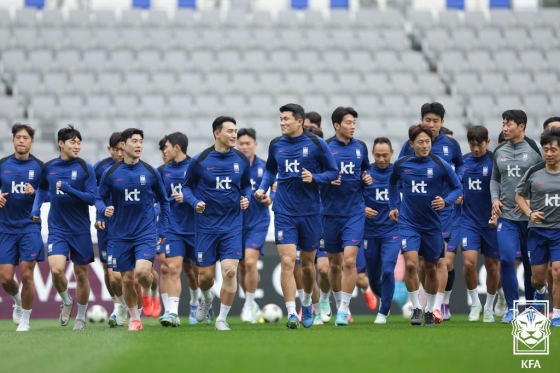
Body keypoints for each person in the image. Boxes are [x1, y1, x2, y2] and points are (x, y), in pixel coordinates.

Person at [256, 104, 338, 329]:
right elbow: (271, 171)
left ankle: (307, 303)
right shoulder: (276, 144)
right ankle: (292, 313)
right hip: (283, 210)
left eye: (286, 119)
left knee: (308, 265)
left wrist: (315, 178)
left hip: (311, 211)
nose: (282, 123)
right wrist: (263, 187)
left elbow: (333, 173)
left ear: (299, 121)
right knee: (287, 260)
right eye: (280, 119)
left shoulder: (316, 144)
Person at [182, 116, 252, 331]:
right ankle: (206, 297)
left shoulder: (241, 159)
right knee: (204, 278)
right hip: (206, 227)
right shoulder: (200, 160)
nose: (234, 135)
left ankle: (221, 319)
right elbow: (186, 188)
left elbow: (246, 186)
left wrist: (245, 198)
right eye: (230, 131)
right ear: (217, 133)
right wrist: (195, 203)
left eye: (235, 131)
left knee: (230, 271)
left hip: (232, 225)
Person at [96, 128, 170, 331]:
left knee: (143, 272)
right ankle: (135, 319)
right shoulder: (110, 174)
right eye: (134, 141)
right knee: (127, 279)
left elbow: (164, 201)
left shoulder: (150, 171)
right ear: (123, 145)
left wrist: (162, 229)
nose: (138, 145)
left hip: (145, 232)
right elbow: (99, 197)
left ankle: (150, 292)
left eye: (141, 141)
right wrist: (103, 210)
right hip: (120, 233)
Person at [389, 124, 462, 327]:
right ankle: (417, 308)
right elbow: (392, 183)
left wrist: (446, 201)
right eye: (420, 142)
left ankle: (430, 309)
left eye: (428, 142)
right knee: (411, 264)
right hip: (408, 223)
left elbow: (458, 187)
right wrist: (394, 206)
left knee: (431, 268)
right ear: (411, 144)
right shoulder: (402, 164)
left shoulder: (440, 164)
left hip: (432, 225)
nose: (425, 145)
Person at [31, 125, 97, 331]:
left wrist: (68, 188)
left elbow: (92, 198)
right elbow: (42, 188)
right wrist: (35, 208)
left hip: (80, 229)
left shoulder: (86, 168)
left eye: (79, 142)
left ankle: (81, 318)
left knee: (81, 274)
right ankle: (67, 300)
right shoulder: (49, 168)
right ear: (61, 143)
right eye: (72, 142)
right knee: (57, 270)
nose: (77, 146)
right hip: (57, 229)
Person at [491, 110, 542, 323]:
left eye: (508, 124)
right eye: (503, 123)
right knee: (506, 259)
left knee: (531, 264)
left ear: (521, 126)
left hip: (530, 220)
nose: (504, 127)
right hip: (507, 217)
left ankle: (531, 307)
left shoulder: (534, 152)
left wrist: (530, 201)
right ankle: (512, 308)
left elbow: (543, 181)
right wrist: (495, 199)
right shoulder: (499, 151)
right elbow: (495, 179)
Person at [322, 106, 371, 326]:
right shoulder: (324, 149)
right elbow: (313, 180)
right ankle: (337, 301)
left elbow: (365, 172)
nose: (352, 127)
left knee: (349, 262)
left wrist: (366, 179)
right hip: (329, 213)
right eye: (348, 123)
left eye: (354, 123)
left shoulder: (360, 147)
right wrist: (327, 180)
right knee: (333, 265)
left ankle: (343, 310)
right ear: (336, 125)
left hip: (354, 211)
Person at [0, 123, 45, 331]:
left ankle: (25, 320)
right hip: (6, 228)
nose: (21, 140)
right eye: (18, 137)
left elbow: (51, 194)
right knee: (5, 278)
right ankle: (17, 300)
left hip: (30, 226)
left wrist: (35, 193)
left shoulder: (40, 168)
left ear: (31, 142)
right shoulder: (2, 165)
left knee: (27, 275)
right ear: (12, 141)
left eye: (25, 137)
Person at [515, 127, 560, 326]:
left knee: (558, 271)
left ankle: (557, 314)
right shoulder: (534, 172)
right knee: (538, 280)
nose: (548, 153)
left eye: (553, 149)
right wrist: (530, 213)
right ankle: (540, 292)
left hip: (558, 232)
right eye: (545, 149)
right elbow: (519, 196)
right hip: (537, 232)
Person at [154, 132, 200, 327]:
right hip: (173, 228)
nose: (164, 151)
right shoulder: (162, 172)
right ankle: (172, 312)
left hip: (197, 228)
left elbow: (207, 193)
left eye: (166, 147)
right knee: (172, 268)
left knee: (197, 272)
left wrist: (189, 198)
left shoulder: (196, 167)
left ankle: (197, 302)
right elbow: (158, 199)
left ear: (177, 147)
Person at [461, 126, 499, 323]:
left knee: (492, 266)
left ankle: (489, 307)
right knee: (468, 263)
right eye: (472, 144)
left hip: (491, 222)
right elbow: (455, 185)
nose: (475, 148)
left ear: (488, 142)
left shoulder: (494, 161)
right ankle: (475, 303)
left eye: (479, 144)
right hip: (469, 221)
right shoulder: (463, 162)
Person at [93, 132, 129, 328]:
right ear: (110, 149)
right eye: (117, 150)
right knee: (109, 273)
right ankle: (119, 305)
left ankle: (131, 306)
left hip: (128, 227)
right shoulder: (99, 169)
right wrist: (99, 216)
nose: (121, 153)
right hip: (107, 226)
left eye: (124, 149)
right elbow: (95, 195)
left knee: (123, 272)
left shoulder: (135, 167)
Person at [363, 137, 400, 324]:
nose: (381, 159)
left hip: (392, 232)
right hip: (369, 233)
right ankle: (383, 297)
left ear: (392, 153)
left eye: (385, 155)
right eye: (377, 155)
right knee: (374, 278)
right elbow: (352, 197)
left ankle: (383, 311)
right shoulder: (366, 174)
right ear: (372, 154)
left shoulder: (399, 173)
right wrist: (363, 209)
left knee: (387, 269)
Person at [236, 128, 272, 323]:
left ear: (255, 144)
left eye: (247, 143)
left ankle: (249, 305)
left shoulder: (265, 168)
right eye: (240, 143)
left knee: (250, 262)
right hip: (236, 222)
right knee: (241, 265)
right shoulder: (232, 167)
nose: (244, 147)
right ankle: (251, 303)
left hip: (258, 222)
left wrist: (268, 198)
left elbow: (274, 190)